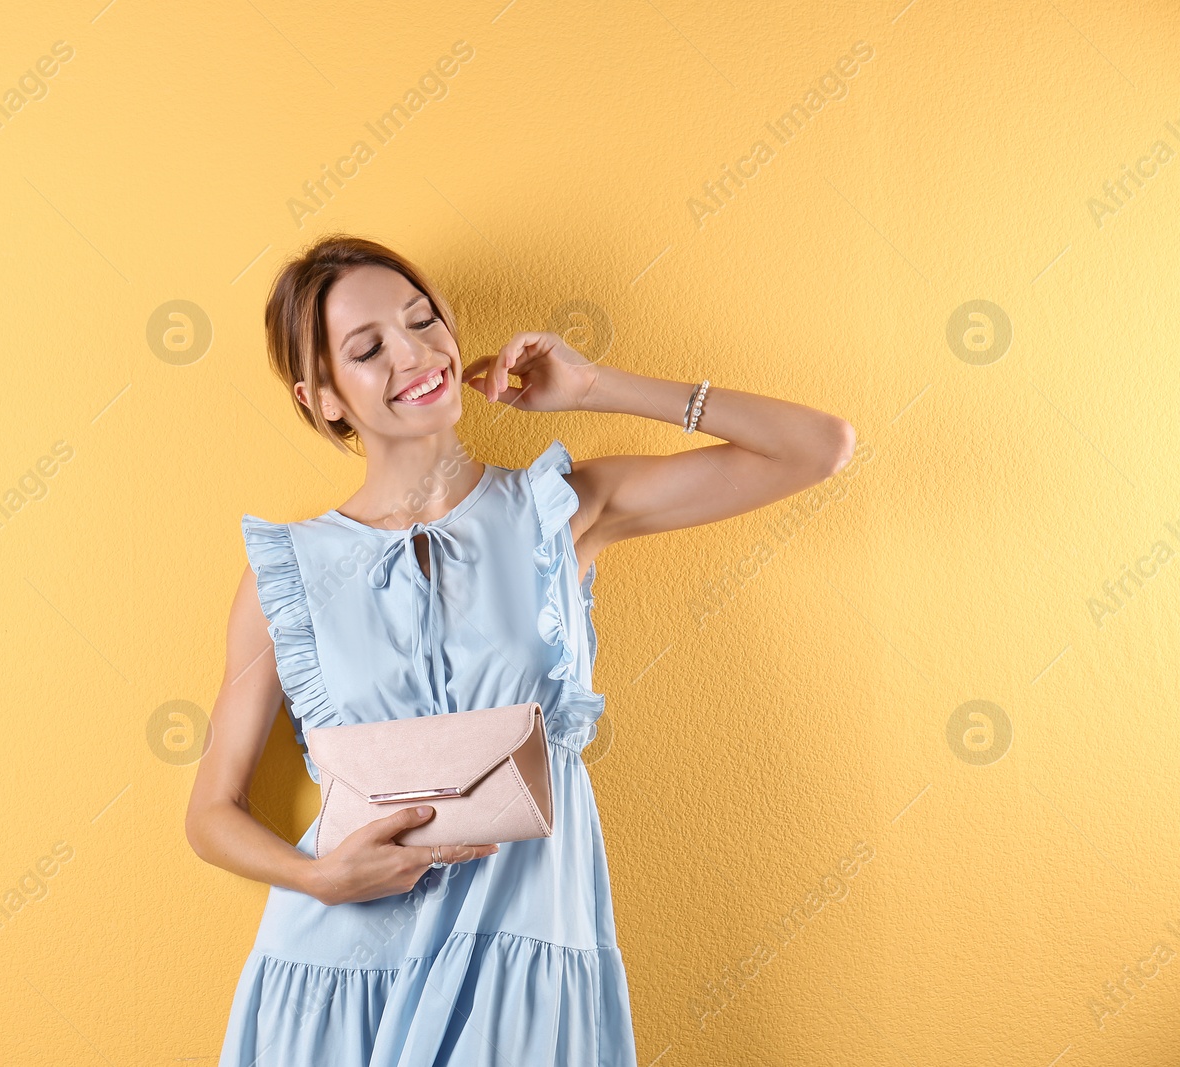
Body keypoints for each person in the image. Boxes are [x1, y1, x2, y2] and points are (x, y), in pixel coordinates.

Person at [187, 234, 855, 1065]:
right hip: (338, 969)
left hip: (524, 954)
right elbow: (211, 811)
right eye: (367, 348)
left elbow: (817, 447)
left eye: (423, 318)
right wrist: (319, 877)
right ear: (322, 396)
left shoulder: (562, 511)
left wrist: (592, 385)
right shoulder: (285, 573)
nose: (414, 352)